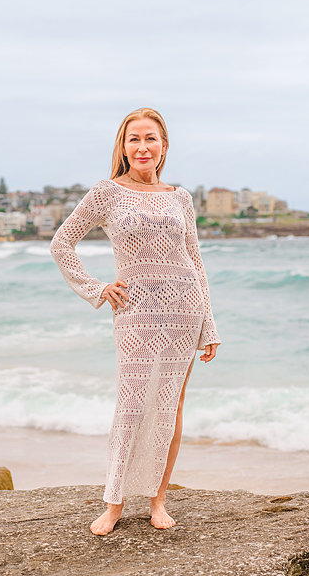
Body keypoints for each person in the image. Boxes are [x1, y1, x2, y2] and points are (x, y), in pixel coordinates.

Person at [50, 107, 221, 535]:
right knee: (131, 404)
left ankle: (158, 500)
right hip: (135, 313)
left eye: (151, 139)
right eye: (134, 139)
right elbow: (62, 243)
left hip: (184, 310)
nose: (142, 147)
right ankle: (114, 503)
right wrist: (97, 289)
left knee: (171, 407)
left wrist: (210, 326)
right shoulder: (107, 192)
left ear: (163, 146)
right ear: (123, 147)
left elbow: (195, 261)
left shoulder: (180, 197)